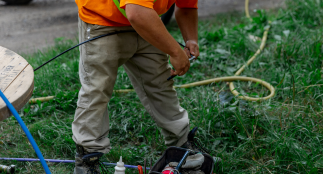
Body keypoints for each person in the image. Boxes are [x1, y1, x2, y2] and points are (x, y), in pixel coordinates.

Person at [72, 0, 206, 173]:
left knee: (160, 84)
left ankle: (181, 148)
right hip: (103, 20)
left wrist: (191, 39)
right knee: (97, 89)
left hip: (147, 18)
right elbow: (136, 12)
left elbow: (186, 6)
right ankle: (87, 158)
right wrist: (175, 52)